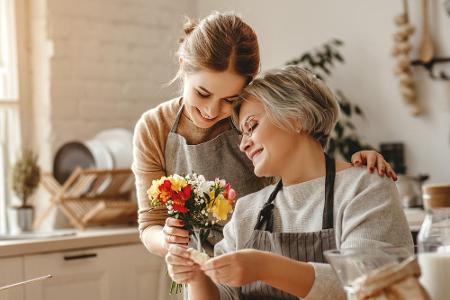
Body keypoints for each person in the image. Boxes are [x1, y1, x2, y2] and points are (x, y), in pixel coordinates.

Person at [133, 12, 396, 260]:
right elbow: (150, 224)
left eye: (230, 99)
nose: (211, 110)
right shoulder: (154, 128)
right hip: (199, 271)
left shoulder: (253, 116)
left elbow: (304, 175)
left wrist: (354, 169)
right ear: (183, 65)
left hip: (262, 265)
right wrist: (170, 241)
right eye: (202, 93)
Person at [165, 65, 414, 300]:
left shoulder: (364, 187)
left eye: (252, 126)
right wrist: (195, 275)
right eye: (241, 134)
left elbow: (373, 285)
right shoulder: (247, 210)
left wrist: (265, 267)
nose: (243, 144)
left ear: (297, 117)